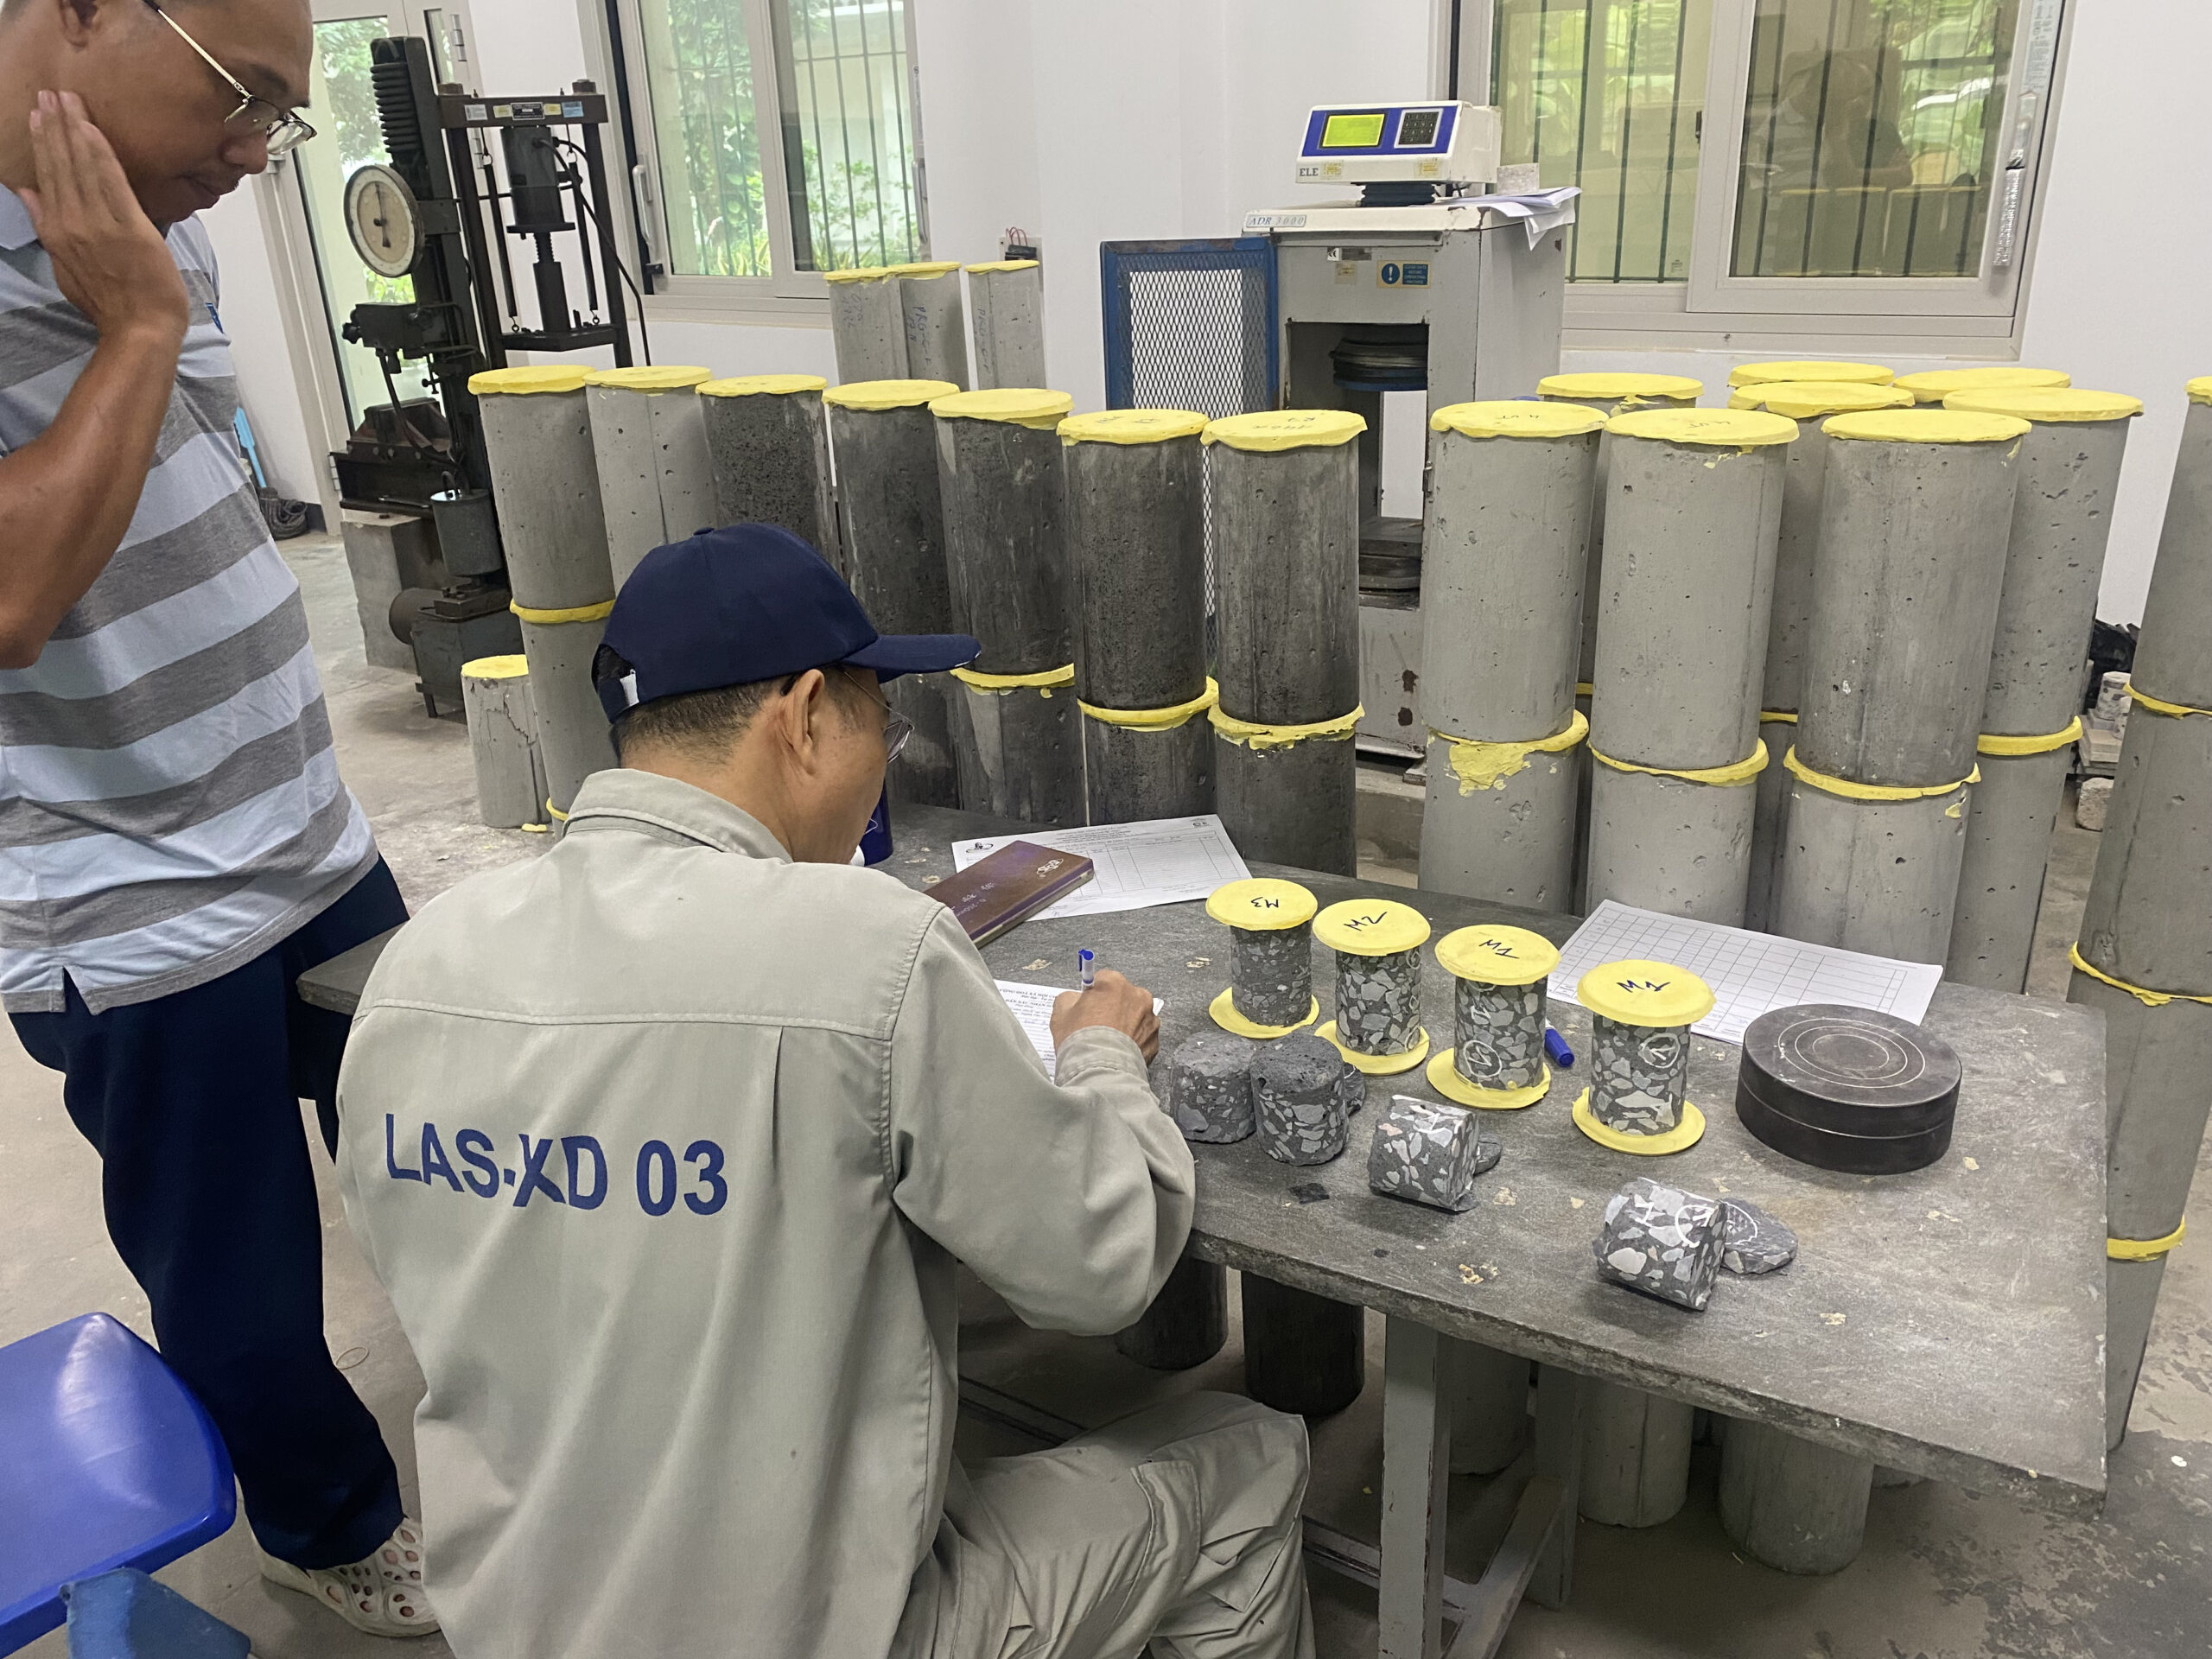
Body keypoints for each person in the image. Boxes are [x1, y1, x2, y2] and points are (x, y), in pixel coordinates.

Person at [335, 524, 1318, 1659]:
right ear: (803, 717)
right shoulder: (870, 950)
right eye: (880, 725)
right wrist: (1100, 1058)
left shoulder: (419, 963)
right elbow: (1101, 1266)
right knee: (1249, 1460)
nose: (883, 763)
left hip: (519, 1625)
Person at [0, 0, 434, 1637]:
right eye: (238, 94)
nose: (258, 150)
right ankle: (329, 1527)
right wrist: (134, 328)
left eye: (280, 112)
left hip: (308, 830)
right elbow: (10, 600)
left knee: (452, 1141)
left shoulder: (135, 211)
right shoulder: (137, 268)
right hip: (135, 905)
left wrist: (144, 306)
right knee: (240, 1275)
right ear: (85, 14)